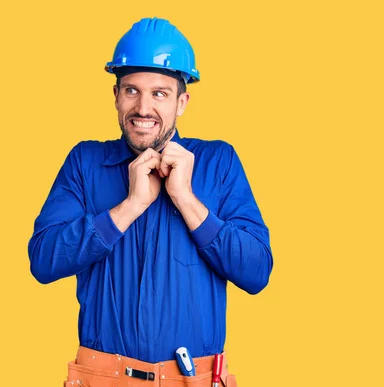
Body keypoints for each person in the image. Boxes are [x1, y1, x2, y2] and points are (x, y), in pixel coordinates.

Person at [28, 16, 273, 387]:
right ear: (115, 95)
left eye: (159, 93)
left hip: (193, 379)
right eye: (131, 90)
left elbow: (257, 273)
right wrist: (128, 208)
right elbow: (43, 260)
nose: (143, 108)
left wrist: (186, 200)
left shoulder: (219, 163)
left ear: (182, 102)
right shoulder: (85, 162)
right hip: (102, 379)